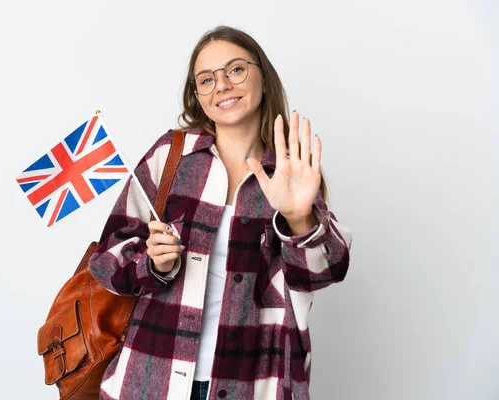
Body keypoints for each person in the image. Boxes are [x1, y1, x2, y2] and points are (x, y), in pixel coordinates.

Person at [89, 25, 352, 400]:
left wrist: (298, 218)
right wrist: (153, 264)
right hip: (152, 379)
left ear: (263, 75)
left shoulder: (291, 171)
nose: (223, 86)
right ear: (197, 96)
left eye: (236, 70)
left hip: (256, 383)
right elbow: (105, 262)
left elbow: (326, 272)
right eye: (207, 79)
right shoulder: (171, 157)